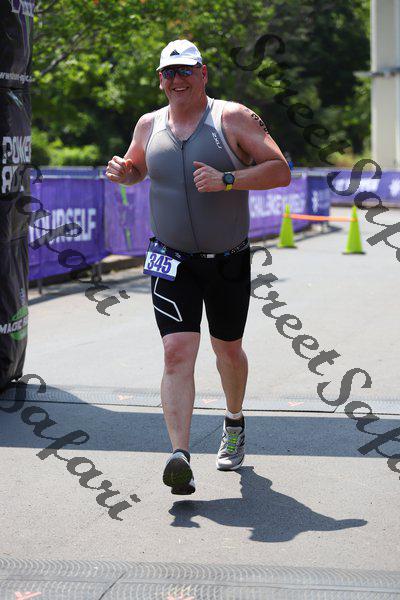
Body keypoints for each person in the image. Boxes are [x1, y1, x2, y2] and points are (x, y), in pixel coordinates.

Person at [105, 39, 291, 495]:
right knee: (176, 352)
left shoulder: (232, 118)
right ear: (160, 80)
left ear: (203, 73)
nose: (177, 79)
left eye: (186, 70)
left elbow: (280, 170)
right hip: (170, 258)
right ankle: (180, 456)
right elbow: (137, 167)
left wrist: (228, 179)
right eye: (169, 73)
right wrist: (127, 172)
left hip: (227, 259)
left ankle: (234, 421)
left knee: (227, 350)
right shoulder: (148, 124)